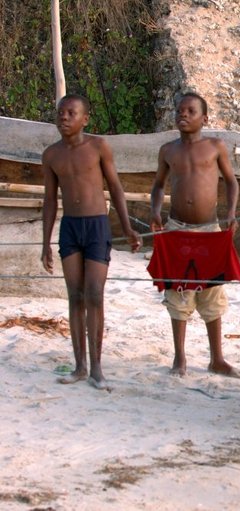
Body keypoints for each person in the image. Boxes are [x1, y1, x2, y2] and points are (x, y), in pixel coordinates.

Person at [41, 93, 141, 390]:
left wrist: (126, 228)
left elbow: (116, 188)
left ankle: (97, 368)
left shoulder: (98, 147)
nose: (64, 117)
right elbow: (49, 200)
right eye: (60, 112)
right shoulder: (51, 155)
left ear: (85, 119)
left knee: (95, 294)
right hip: (70, 227)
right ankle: (79, 366)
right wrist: (45, 242)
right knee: (75, 296)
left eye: (71, 113)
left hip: (97, 226)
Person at [150, 92, 240, 379]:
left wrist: (231, 213)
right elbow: (158, 185)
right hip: (177, 228)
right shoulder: (168, 150)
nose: (184, 115)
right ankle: (180, 359)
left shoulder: (215, 147)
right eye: (180, 110)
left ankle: (217, 359)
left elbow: (231, 182)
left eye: (191, 111)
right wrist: (155, 210)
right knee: (178, 291)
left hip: (209, 230)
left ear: (204, 118)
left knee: (212, 292)